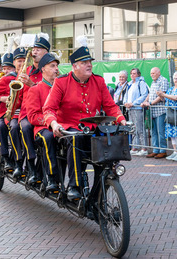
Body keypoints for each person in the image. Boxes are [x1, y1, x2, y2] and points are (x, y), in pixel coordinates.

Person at [42, 39, 126, 201]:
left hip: (92, 130)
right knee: (76, 138)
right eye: (84, 62)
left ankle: (101, 188)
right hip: (69, 129)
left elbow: (110, 106)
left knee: (109, 143)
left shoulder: (98, 81)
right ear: (74, 66)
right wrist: (54, 123)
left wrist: (121, 119)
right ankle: (74, 185)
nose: (89, 65)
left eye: (90, 62)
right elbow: (49, 109)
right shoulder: (61, 82)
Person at [0, 48, 26, 178]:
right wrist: (1, 99)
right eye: (4, 68)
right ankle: (4, 158)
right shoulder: (5, 79)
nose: (6, 71)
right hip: (3, 113)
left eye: (9, 68)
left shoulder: (23, 77)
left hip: (21, 113)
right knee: (0, 128)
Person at [17, 34, 50, 180]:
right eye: (34, 49)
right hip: (26, 112)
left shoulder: (50, 70)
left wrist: (32, 84)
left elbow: (51, 93)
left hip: (45, 112)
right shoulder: (27, 69)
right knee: (25, 127)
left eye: (38, 49)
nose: (34, 52)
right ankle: (30, 165)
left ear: (46, 53)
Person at [26, 53, 60, 191]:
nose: (56, 69)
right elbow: (32, 116)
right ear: (43, 69)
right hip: (42, 128)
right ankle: (51, 178)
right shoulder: (35, 89)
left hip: (60, 126)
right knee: (48, 137)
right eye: (52, 66)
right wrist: (50, 122)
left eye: (57, 66)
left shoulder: (61, 87)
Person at [158, 71, 177, 161]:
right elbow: (165, 99)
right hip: (170, 113)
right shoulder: (170, 89)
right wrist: (160, 96)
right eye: (176, 78)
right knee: (172, 133)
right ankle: (175, 152)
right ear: (173, 79)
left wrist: (163, 94)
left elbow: (176, 98)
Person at [141, 67, 168, 159]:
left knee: (160, 131)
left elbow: (162, 96)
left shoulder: (163, 80)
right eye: (151, 73)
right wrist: (145, 101)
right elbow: (150, 94)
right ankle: (155, 150)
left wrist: (151, 103)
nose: (151, 75)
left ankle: (162, 150)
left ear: (158, 73)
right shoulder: (153, 82)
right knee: (153, 132)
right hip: (152, 111)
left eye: (153, 73)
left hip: (160, 111)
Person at [124, 68, 149, 156]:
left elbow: (144, 95)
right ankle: (135, 147)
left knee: (140, 128)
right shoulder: (129, 84)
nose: (132, 75)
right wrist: (126, 103)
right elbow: (126, 96)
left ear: (138, 74)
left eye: (134, 73)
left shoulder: (141, 83)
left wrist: (133, 103)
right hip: (130, 109)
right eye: (131, 73)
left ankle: (144, 148)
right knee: (133, 128)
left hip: (137, 109)